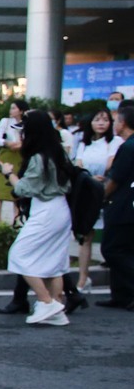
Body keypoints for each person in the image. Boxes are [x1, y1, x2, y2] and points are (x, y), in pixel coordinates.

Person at [0, 108, 79, 326]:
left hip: (46, 210)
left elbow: (24, 189)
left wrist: (8, 172)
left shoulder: (38, 158)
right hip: (60, 209)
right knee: (54, 262)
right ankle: (57, 309)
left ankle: (47, 302)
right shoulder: (58, 152)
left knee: (19, 255)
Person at [73, 107, 122, 292]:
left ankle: (118, 283)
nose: (101, 123)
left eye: (105, 120)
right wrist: (89, 177)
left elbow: (111, 165)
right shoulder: (84, 143)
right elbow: (78, 166)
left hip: (108, 192)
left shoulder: (115, 142)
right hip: (88, 192)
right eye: (97, 119)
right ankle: (83, 279)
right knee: (85, 236)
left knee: (110, 238)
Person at [100, 102, 134, 309]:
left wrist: (101, 196)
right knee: (126, 250)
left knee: (112, 250)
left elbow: (115, 179)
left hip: (122, 205)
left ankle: (126, 293)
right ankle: (122, 295)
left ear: (122, 123)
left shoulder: (127, 147)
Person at [0, 100, 27, 225]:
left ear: (21, 110)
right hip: (6, 155)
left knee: (16, 186)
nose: (11, 111)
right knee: (0, 187)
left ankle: (16, 216)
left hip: (20, 156)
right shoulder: (5, 122)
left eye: (14, 108)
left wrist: (21, 144)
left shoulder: (27, 123)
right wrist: (7, 143)